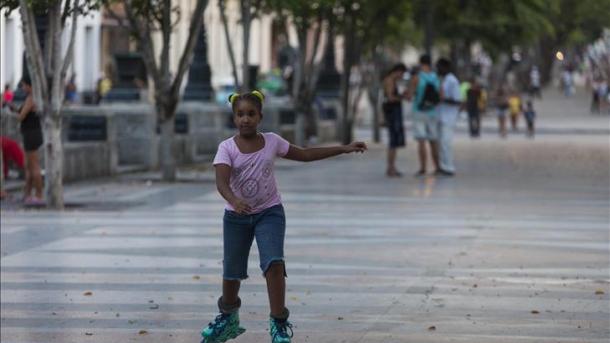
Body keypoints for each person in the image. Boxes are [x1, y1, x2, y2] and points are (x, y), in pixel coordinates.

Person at [200, 90, 367, 343]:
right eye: (240, 114)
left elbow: (305, 154)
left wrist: (343, 148)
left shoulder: (272, 141)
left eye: (251, 114)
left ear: (260, 117)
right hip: (236, 217)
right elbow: (221, 183)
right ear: (234, 118)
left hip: (270, 212)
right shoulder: (227, 148)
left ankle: (278, 324)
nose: (245, 119)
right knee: (232, 271)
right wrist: (234, 200)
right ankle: (228, 318)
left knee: (274, 263)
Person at [406, 54, 441, 176]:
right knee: (433, 140)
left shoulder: (416, 77)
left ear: (421, 63)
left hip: (419, 112)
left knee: (421, 141)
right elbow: (440, 96)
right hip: (433, 112)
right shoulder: (436, 78)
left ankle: (423, 168)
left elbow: (409, 96)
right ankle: (437, 167)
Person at [15, 76, 44, 205]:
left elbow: (22, 116)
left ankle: (39, 194)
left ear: (30, 86)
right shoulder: (31, 98)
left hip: (31, 133)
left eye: (24, 85)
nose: (23, 88)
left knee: (34, 166)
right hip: (30, 133)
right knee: (28, 166)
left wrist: (16, 114)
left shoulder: (32, 98)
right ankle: (27, 193)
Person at [435, 58, 461, 176]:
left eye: (439, 67)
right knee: (441, 142)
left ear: (445, 67)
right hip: (441, 116)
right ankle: (442, 166)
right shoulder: (443, 80)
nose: (437, 70)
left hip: (449, 117)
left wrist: (442, 99)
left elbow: (457, 100)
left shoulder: (452, 81)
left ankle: (449, 167)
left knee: (446, 142)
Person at [381, 63, 407, 177]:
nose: (402, 76)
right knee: (393, 142)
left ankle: (392, 167)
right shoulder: (390, 80)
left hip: (392, 113)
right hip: (392, 113)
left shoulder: (390, 80)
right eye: (402, 73)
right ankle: (391, 168)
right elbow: (390, 98)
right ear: (398, 71)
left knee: (394, 142)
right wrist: (402, 97)